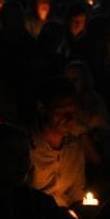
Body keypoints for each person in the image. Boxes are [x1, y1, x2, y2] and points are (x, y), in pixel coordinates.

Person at [27, 79, 88, 207]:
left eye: (73, 112)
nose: (70, 119)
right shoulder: (25, 145)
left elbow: (76, 194)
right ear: (42, 108)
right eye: (62, 112)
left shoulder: (74, 147)